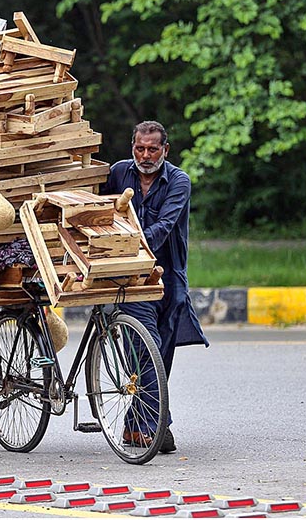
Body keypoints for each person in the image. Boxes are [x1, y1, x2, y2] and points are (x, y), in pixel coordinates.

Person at [101, 120, 209, 453]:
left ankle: (135, 427)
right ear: (131, 146)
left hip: (168, 279)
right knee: (145, 351)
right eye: (139, 148)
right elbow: (98, 210)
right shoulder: (119, 173)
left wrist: (126, 242)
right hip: (132, 280)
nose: (145, 155)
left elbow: (164, 227)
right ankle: (159, 424)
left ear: (165, 149)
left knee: (159, 355)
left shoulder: (179, 181)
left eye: (152, 149)